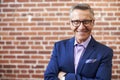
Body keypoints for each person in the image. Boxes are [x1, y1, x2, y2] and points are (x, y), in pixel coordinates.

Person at [44, 3, 113, 80]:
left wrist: (66, 77)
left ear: (93, 23)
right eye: (76, 22)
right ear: (70, 24)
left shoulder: (105, 52)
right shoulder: (59, 47)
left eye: (86, 21)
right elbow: (49, 77)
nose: (81, 27)